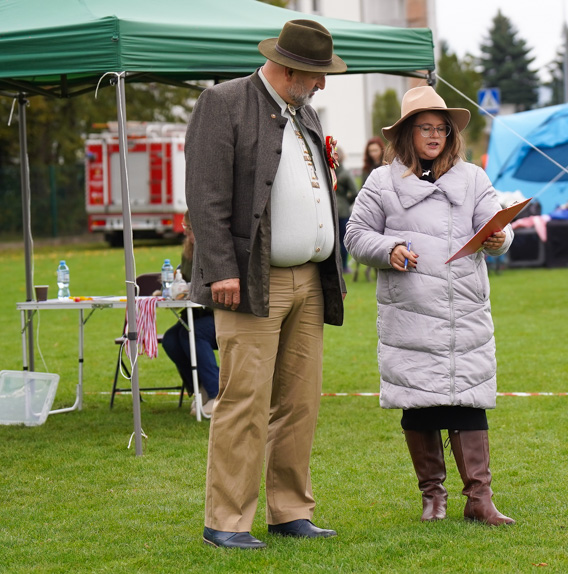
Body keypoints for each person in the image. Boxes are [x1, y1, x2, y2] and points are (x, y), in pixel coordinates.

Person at [185, 19, 347, 550]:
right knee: (245, 401)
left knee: (300, 403)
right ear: (291, 68)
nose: (322, 84)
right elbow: (205, 197)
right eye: (317, 75)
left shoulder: (305, 112)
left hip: (309, 279)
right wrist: (221, 269)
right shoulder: (224, 103)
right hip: (252, 280)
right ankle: (226, 522)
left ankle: (290, 511)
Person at [345, 86, 515, 526]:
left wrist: (500, 237)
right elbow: (355, 235)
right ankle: (433, 498)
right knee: (419, 402)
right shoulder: (382, 182)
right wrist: (390, 248)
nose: (435, 135)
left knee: (468, 400)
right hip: (411, 311)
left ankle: (480, 499)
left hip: (464, 309)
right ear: (406, 133)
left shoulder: (473, 178)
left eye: (441, 128)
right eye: (425, 128)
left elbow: (495, 224)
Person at [162, 211, 219, 416]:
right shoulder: (188, 252)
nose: (187, 234)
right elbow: (182, 282)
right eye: (185, 229)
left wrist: (191, 289)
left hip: (219, 316)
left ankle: (216, 393)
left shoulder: (214, 251)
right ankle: (200, 387)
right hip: (195, 315)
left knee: (192, 334)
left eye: (190, 229)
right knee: (170, 339)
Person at [334, 147, 358, 274]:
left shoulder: (329, 171)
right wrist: (346, 201)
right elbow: (355, 192)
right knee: (343, 240)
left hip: (333, 211)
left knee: (335, 241)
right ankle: (343, 267)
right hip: (342, 210)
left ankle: (337, 267)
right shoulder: (345, 174)